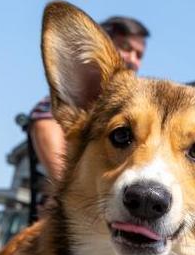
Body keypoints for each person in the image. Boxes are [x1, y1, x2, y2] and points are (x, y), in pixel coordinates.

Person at [27, 15, 150, 191]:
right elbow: (64, 180)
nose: (132, 59)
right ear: (104, 43)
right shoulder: (65, 103)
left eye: (139, 55)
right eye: (125, 47)